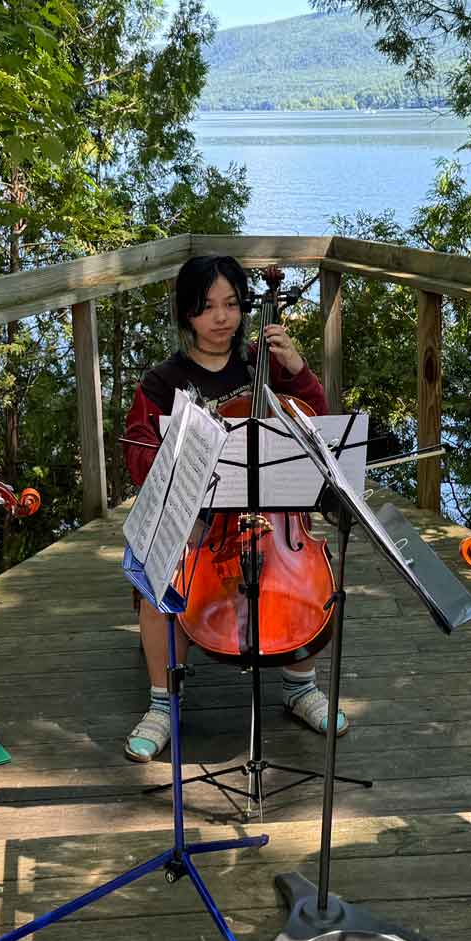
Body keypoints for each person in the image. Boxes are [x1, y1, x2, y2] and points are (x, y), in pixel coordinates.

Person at [118, 253, 349, 762]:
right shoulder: (162, 382)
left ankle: (299, 685)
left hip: (272, 512)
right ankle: (163, 703)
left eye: (231, 304)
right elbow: (138, 451)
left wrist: (296, 370)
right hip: (202, 518)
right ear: (186, 315)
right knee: (158, 567)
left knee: (311, 576)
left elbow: (317, 427)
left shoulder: (260, 368)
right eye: (206, 308)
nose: (221, 318)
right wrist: (173, 449)